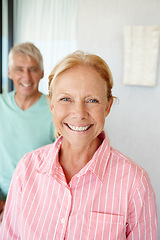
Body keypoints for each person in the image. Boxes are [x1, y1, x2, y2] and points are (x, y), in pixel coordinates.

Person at [0, 51, 157, 239]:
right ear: (51, 104)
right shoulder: (26, 168)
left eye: (92, 100)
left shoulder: (135, 183)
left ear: (108, 106)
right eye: (66, 99)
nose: (79, 113)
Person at [0, 42, 55, 222]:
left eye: (32, 69)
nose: (26, 76)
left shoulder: (54, 109)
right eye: (19, 69)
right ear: (9, 73)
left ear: (42, 72)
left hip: (39, 202)